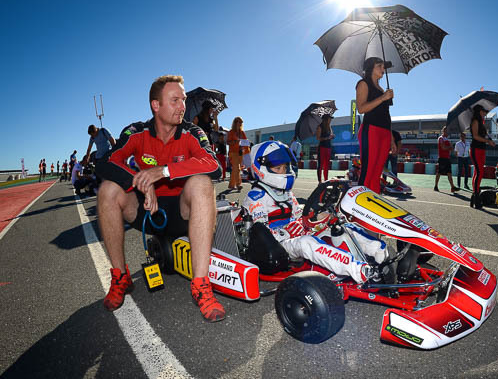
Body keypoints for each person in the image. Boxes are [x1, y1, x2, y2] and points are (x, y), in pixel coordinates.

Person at [95, 75, 225, 322]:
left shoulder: (192, 131)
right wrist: (144, 182)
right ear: (156, 105)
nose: (182, 106)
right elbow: (105, 162)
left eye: (183, 100)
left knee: (202, 183)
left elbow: (215, 167)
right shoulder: (136, 131)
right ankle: (120, 276)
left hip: (181, 213)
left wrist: (163, 172)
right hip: (146, 210)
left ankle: (200, 285)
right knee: (108, 190)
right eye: (175, 100)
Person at [241, 141, 387, 283]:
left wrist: (317, 218)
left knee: (340, 227)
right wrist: (286, 231)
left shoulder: (287, 194)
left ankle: (379, 252)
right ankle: (358, 270)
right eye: (278, 168)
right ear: (260, 168)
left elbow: (298, 216)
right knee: (307, 243)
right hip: (278, 245)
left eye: (285, 168)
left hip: (296, 235)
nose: (283, 172)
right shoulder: (256, 198)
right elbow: (259, 233)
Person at [355, 57, 395, 193]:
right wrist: (383, 98)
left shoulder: (382, 89)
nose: (383, 69)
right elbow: (361, 108)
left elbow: (386, 116)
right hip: (370, 130)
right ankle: (357, 211)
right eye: (380, 66)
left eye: (384, 67)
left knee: (377, 173)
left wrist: (392, 140)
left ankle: (372, 207)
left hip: (384, 132)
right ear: (371, 68)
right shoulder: (363, 83)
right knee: (368, 171)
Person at [470, 105, 495, 209]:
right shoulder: (475, 121)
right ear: (479, 111)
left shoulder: (481, 122)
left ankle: (474, 197)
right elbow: (475, 136)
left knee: (477, 172)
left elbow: (481, 135)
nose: (485, 112)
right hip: (476, 149)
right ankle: (476, 198)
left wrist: (487, 138)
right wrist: (487, 141)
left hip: (481, 149)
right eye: (484, 110)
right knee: (479, 172)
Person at [434, 126, 460, 193]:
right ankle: (436, 186)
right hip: (442, 158)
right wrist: (450, 147)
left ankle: (452, 187)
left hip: (447, 158)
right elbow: (443, 148)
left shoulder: (446, 139)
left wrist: (450, 148)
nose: (448, 132)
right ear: (444, 131)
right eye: (447, 131)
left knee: (449, 173)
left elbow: (449, 149)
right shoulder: (441, 138)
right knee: (439, 172)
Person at [227, 117, 248, 191]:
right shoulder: (231, 132)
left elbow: (246, 142)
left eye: (241, 122)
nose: (240, 124)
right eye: (239, 122)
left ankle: (231, 185)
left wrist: (246, 144)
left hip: (240, 152)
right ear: (235, 123)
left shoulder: (242, 132)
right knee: (237, 168)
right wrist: (236, 142)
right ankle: (238, 184)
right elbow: (228, 142)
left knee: (236, 169)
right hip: (233, 152)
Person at [315, 115, 334, 182]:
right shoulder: (320, 127)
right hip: (322, 148)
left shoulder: (329, 127)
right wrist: (327, 138)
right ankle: (320, 181)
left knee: (327, 166)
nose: (331, 120)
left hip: (328, 148)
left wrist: (332, 136)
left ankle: (326, 180)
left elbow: (330, 136)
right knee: (320, 165)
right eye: (330, 119)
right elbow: (318, 138)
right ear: (325, 119)